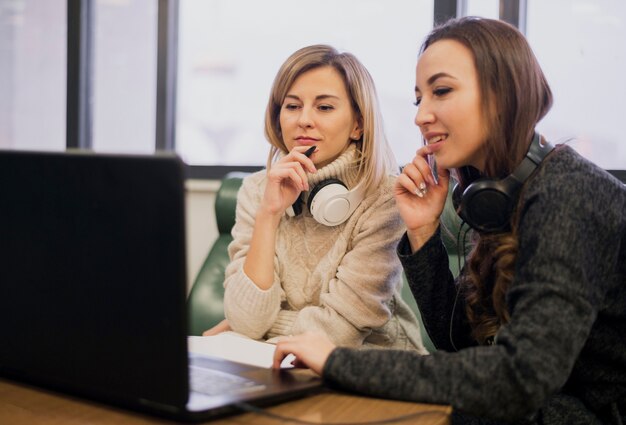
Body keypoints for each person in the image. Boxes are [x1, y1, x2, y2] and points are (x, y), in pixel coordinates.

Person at [273, 18, 626, 424]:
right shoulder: (499, 194)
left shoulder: (570, 194)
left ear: (503, 95)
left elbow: (520, 377)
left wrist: (339, 363)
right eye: (418, 99)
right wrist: (423, 232)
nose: (421, 116)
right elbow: (459, 344)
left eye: (441, 91)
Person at [204, 44, 427, 353]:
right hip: (281, 363)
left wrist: (262, 331)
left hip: (372, 369)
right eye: (292, 106)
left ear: (358, 124)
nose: (304, 120)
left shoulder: (385, 198)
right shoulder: (257, 190)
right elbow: (247, 319)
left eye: (324, 107)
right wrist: (269, 214)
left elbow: (339, 332)